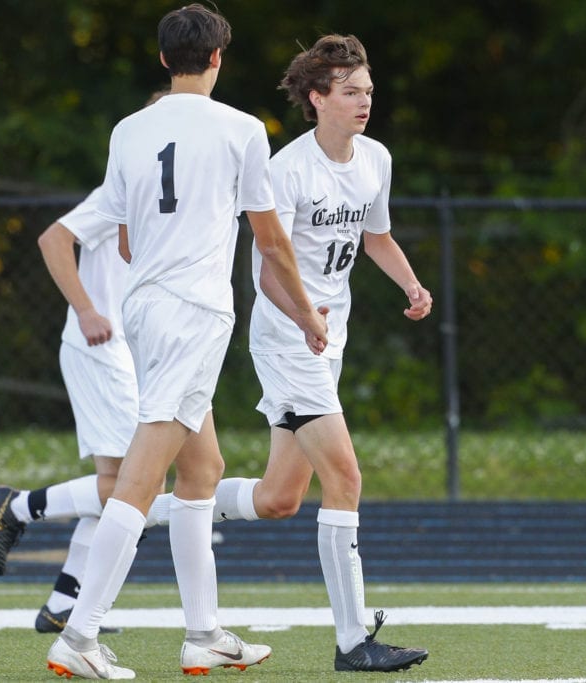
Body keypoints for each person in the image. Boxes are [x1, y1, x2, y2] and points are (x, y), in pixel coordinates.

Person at [44, 5, 328, 679]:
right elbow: (269, 238)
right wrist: (309, 315)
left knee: (201, 468)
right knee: (142, 478)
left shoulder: (127, 129)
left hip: (144, 309)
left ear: (165, 59)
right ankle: (77, 634)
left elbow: (121, 232)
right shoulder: (241, 129)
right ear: (219, 58)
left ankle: (202, 632)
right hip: (194, 312)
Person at [150, 33, 433, 673]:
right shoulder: (288, 168)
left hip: (328, 340)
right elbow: (266, 270)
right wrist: (304, 319)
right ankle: (353, 640)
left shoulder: (375, 159)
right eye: (351, 92)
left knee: (280, 498)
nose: (364, 102)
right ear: (317, 98)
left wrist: (411, 284)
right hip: (288, 340)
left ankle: (150, 509)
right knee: (346, 479)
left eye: (368, 92)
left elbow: (376, 237)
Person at [0, 91, 170, 637]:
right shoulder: (122, 189)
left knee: (116, 485)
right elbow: (53, 238)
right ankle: (17, 507)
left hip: (129, 352)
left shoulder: (171, 192)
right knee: (133, 486)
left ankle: (64, 602)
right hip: (101, 347)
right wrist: (86, 309)